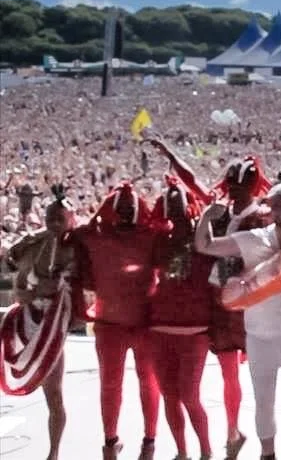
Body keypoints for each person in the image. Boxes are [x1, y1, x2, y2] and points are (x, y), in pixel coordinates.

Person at [152, 143, 275, 459]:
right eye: (231, 184)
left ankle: (247, 437)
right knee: (226, 371)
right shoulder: (217, 209)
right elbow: (192, 181)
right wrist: (169, 155)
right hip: (216, 305)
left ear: (252, 186)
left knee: (245, 376)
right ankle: (233, 433)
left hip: (248, 304)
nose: (234, 191)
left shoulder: (264, 217)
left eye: (240, 186)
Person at [195, 183, 281, 460]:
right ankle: (267, 454)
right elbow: (205, 245)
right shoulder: (253, 238)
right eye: (277, 203)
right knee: (263, 402)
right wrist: (206, 218)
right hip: (258, 335)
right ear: (268, 207)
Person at [72, 181, 163, 460]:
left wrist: (103, 211)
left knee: (116, 384)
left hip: (118, 323)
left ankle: (114, 444)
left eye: (126, 209)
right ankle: (144, 443)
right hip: (133, 323)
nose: (124, 214)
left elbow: (77, 232)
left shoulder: (96, 235)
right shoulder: (150, 235)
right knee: (144, 383)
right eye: (121, 209)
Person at [2, 185, 79, 460]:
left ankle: (53, 453)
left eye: (61, 218)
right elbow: (19, 287)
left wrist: (57, 288)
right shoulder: (32, 244)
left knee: (54, 395)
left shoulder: (79, 249)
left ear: (71, 218)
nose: (55, 224)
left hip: (54, 329)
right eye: (50, 218)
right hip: (24, 321)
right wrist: (34, 291)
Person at [146, 176, 216, 460]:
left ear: (190, 207)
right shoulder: (159, 241)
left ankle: (206, 451)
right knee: (169, 396)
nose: (175, 208)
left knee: (189, 395)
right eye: (170, 202)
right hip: (160, 329)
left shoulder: (206, 240)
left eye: (180, 202)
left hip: (195, 332)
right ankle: (182, 452)